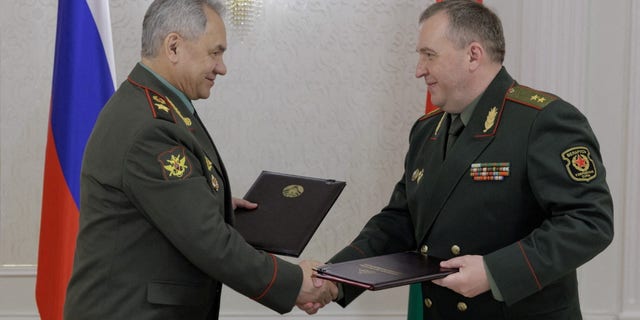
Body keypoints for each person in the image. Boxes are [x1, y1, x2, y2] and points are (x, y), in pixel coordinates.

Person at [318, 0, 614, 319]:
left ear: (473, 55)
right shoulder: (426, 130)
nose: (419, 70)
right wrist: (335, 278)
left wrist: (494, 272)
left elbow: (588, 221)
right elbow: (399, 221)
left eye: (429, 55)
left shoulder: (543, 120)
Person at [63, 1, 336, 319]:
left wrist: (212, 201)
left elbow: (167, 206)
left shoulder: (156, 107)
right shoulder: (149, 126)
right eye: (214, 52)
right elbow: (208, 242)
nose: (222, 67)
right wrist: (295, 283)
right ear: (174, 46)